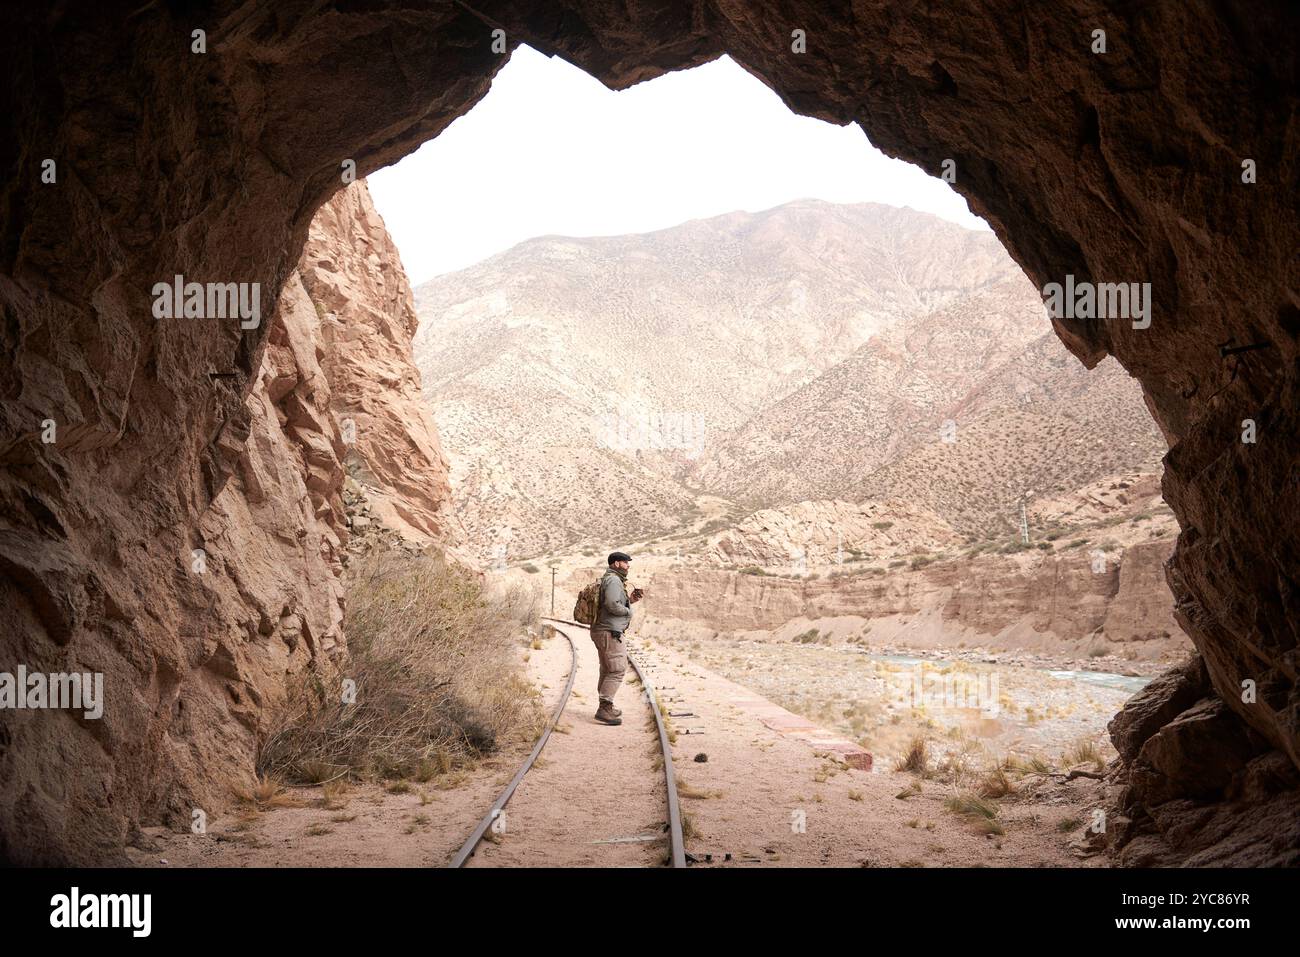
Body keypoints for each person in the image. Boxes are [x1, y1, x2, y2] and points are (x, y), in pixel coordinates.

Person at [590, 551, 643, 726]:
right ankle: (604, 708)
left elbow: (612, 602)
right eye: (626, 562)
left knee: (607, 668)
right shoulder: (613, 580)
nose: (628, 565)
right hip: (609, 631)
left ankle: (606, 705)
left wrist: (630, 600)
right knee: (617, 669)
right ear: (617, 563)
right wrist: (629, 611)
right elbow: (611, 604)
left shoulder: (610, 579)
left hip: (602, 630)